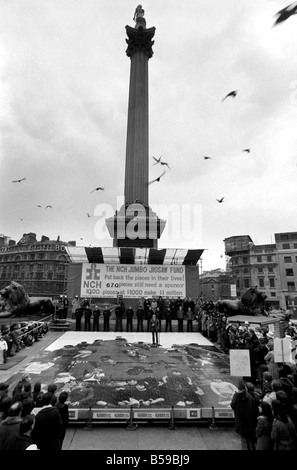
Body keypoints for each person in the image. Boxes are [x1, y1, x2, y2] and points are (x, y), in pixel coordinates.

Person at [230, 379, 256, 450]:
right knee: (250, 440)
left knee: (243, 439)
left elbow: (233, 405)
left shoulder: (236, 396)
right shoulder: (249, 396)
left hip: (240, 419)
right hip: (249, 420)